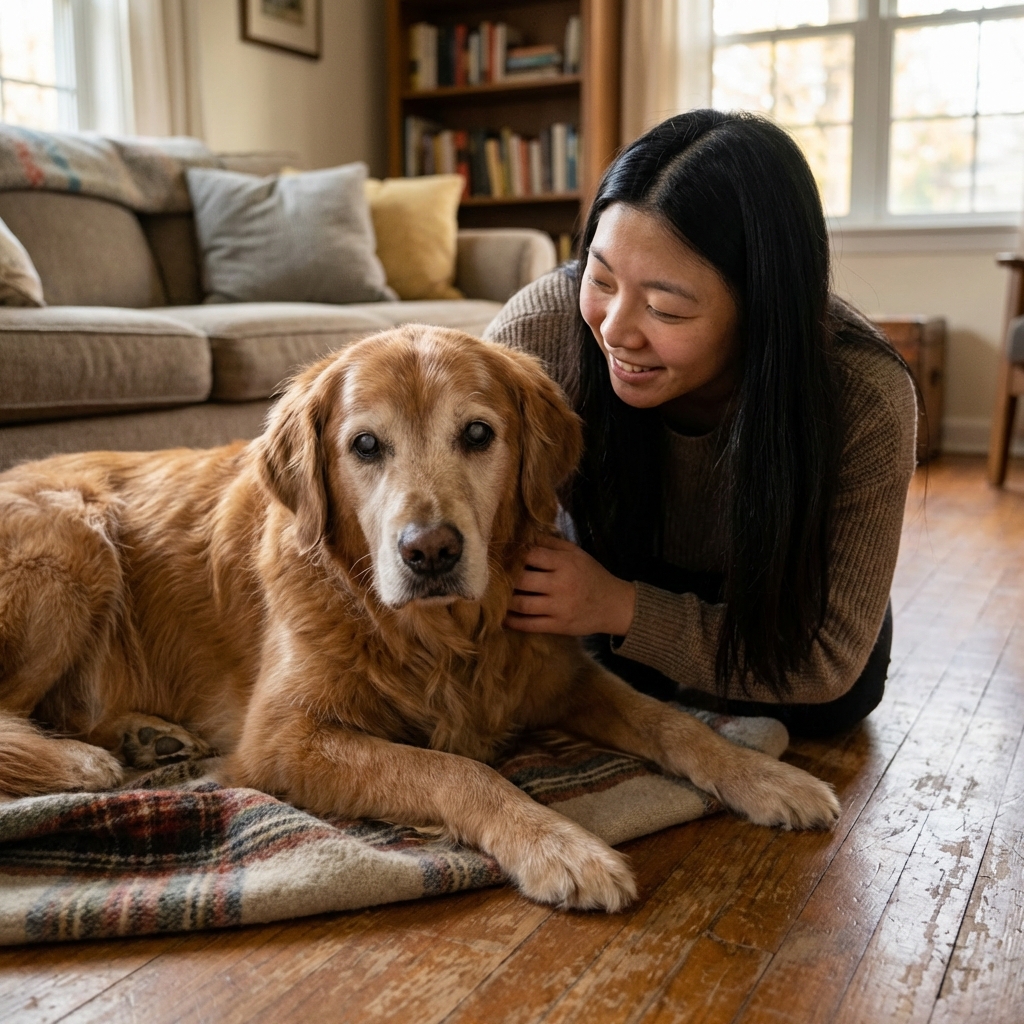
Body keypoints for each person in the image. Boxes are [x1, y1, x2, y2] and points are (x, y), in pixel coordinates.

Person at [486, 110, 917, 739]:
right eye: (599, 277)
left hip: (773, 606)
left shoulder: (864, 398)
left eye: (664, 307)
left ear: (761, 310)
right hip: (603, 575)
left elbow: (824, 662)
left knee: (825, 706)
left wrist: (618, 607)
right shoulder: (542, 331)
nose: (613, 330)